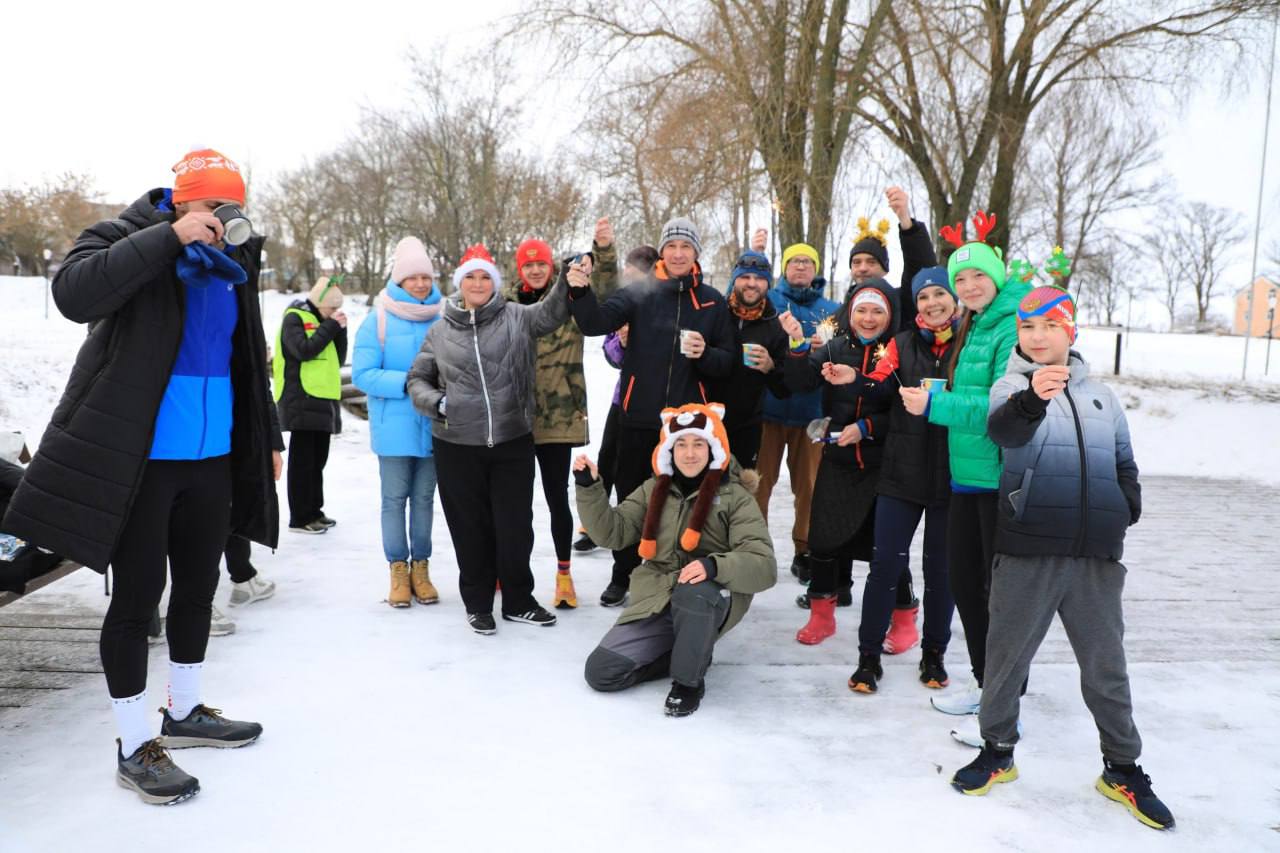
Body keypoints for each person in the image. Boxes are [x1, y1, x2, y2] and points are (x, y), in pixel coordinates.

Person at [2, 149, 275, 804]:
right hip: (141, 461)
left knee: (197, 588)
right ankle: (132, 743)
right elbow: (73, 293)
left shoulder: (234, 261)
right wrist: (168, 238)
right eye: (213, 207)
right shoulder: (125, 237)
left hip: (210, 459)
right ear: (183, 201)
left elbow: (246, 355)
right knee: (137, 596)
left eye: (232, 208)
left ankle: (183, 709)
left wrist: (267, 434)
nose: (222, 220)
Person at [950, 277, 1175, 832]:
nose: (1038, 335)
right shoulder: (1011, 388)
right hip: (1028, 549)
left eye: (1050, 324)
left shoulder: (1103, 396)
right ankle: (997, 750)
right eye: (1028, 326)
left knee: (1106, 666)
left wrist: (1126, 504)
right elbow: (1003, 431)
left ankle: (1122, 766)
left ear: (1070, 328)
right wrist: (1033, 397)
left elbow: (1124, 458)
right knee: (1005, 658)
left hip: (1096, 556)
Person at [898, 212, 1032, 730]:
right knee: (967, 585)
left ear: (995, 277)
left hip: (998, 479)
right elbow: (971, 393)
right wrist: (940, 396)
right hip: (967, 476)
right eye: (960, 278)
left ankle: (1004, 704)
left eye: (977, 275)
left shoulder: (1008, 325)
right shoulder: (976, 324)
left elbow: (1002, 405)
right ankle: (987, 687)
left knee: (995, 595)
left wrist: (935, 404)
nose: (968, 285)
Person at [567, 218, 735, 608]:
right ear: (662, 252)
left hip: (686, 428)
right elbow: (594, 323)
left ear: (695, 254)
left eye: (685, 247)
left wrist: (705, 354)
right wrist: (578, 291)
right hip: (638, 420)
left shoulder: (711, 301)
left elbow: (728, 363)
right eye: (671, 246)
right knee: (631, 502)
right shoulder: (640, 293)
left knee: (681, 505)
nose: (678, 254)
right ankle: (622, 574)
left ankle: (678, 577)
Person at [407, 244, 570, 634]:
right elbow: (417, 380)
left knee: (516, 525)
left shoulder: (516, 317)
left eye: (485, 277)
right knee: (469, 527)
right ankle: (478, 603)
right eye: (471, 277)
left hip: (512, 439)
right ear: (460, 283)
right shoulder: (441, 329)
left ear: (495, 284)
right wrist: (439, 403)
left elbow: (552, 313)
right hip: (457, 444)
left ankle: (518, 600)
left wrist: (569, 278)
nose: (478, 283)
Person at [577, 403, 776, 716]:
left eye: (699, 443)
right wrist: (589, 488)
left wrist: (714, 566)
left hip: (709, 596)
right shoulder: (653, 489)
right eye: (681, 444)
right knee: (602, 672)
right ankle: (688, 650)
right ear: (669, 449)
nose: (690, 453)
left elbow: (763, 565)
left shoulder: (735, 496)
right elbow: (612, 533)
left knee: (694, 591)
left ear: (714, 447)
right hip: (659, 594)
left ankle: (688, 681)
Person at [822, 266, 959, 690]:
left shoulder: (968, 345)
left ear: (954, 300)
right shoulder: (900, 343)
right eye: (923, 297)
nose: (932, 303)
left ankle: (933, 655)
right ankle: (868, 658)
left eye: (939, 294)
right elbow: (881, 386)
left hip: (952, 477)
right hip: (901, 473)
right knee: (884, 567)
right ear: (913, 304)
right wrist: (857, 379)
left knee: (941, 572)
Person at [505, 220, 618, 609]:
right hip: (515, 419)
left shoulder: (570, 296)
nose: (535, 270)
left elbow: (602, 289)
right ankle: (512, 573)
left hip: (558, 414)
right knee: (514, 504)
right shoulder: (505, 305)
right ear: (519, 270)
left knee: (557, 499)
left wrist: (602, 250)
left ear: (550, 267)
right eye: (527, 265)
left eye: (540, 264)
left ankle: (564, 576)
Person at [782, 280, 897, 648]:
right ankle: (821, 616)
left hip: (883, 464)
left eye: (877, 310)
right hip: (838, 460)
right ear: (850, 313)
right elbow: (798, 383)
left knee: (886, 547)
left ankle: (904, 616)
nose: (868, 318)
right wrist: (799, 344)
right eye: (861, 310)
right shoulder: (834, 346)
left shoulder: (898, 351)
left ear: (889, 315)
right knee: (823, 540)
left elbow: (903, 410)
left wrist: (866, 427)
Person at [352, 236, 444, 607]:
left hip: (435, 426)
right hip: (394, 427)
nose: (421, 283)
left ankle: (421, 567)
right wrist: (409, 383)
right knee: (394, 500)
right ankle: (398, 571)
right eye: (413, 277)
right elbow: (363, 374)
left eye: (426, 276)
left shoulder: (443, 316)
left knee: (424, 500)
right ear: (399, 280)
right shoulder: (378, 320)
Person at [755, 238, 839, 581]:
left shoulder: (832, 309)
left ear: (816, 270)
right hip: (769, 408)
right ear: (784, 269)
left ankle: (804, 548)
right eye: (794, 262)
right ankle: (754, 547)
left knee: (809, 485)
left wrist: (827, 349)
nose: (801, 266)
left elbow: (841, 351)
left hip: (812, 412)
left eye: (807, 262)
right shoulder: (770, 301)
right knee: (758, 483)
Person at [574, 245, 659, 554]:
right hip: (622, 400)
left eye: (635, 272)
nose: (628, 276)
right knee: (608, 457)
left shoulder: (657, 302)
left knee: (642, 471)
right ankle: (595, 523)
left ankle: (646, 526)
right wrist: (622, 344)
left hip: (658, 404)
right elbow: (611, 354)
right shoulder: (624, 303)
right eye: (627, 270)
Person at [274, 275, 348, 534]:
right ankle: (299, 516)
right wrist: (330, 327)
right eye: (331, 308)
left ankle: (314, 511)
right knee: (303, 462)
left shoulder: (320, 320)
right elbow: (303, 350)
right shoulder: (294, 317)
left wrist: (340, 330)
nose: (333, 313)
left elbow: (337, 357)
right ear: (319, 303)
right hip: (301, 398)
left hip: (322, 398)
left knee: (318, 460)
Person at [708, 250, 790, 469]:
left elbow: (784, 389)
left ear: (768, 284)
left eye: (759, 278)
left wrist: (771, 367)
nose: (752, 283)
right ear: (735, 279)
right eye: (745, 277)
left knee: (740, 492)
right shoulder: (715, 313)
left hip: (747, 426)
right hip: (707, 419)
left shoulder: (775, 326)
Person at [846, 186, 938, 326]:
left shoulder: (900, 303)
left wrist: (905, 220)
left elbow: (921, 267)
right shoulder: (839, 312)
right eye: (856, 262)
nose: (863, 268)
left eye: (871, 262)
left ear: (885, 269)